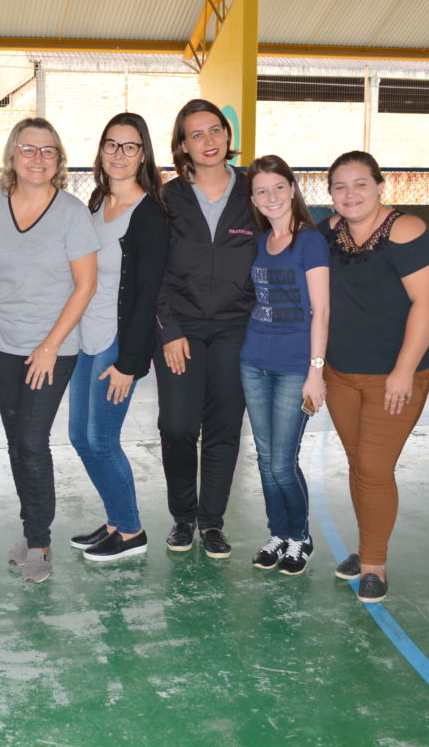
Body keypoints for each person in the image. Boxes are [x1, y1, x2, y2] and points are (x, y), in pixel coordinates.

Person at [319, 150, 429, 603]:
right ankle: (365, 545)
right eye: (339, 186)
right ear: (330, 193)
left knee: (373, 466)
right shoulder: (328, 231)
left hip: (395, 375)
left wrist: (403, 371)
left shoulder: (407, 231)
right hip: (340, 372)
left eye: (360, 184)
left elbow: (427, 305)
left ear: (379, 185)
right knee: (359, 463)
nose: (350, 194)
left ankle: (374, 564)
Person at [0, 117, 98, 583]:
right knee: (17, 442)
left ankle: (41, 543)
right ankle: (31, 534)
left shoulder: (71, 212)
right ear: (12, 155)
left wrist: (50, 346)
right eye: (28, 149)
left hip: (53, 345)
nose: (37, 158)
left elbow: (85, 285)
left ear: (59, 160)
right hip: (1, 343)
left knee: (32, 441)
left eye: (48, 151)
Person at [155, 99, 257, 560]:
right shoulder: (166, 199)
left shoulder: (255, 190)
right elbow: (150, 273)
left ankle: (212, 521)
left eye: (214, 131)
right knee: (177, 426)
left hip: (237, 326)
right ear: (183, 146)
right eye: (196, 135)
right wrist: (169, 329)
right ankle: (183, 516)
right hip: (180, 326)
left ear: (227, 136)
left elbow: (291, 238)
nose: (208, 141)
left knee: (223, 428)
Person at [67, 113, 169, 563]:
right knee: (79, 436)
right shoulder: (95, 202)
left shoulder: (151, 216)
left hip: (115, 342)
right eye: (111, 144)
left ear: (143, 154)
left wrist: (130, 362)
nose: (119, 154)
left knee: (102, 439)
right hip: (86, 337)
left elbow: (148, 296)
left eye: (130, 146)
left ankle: (131, 531)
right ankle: (115, 519)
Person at [239, 155, 329, 577]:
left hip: (296, 367)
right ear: (254, 200)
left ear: (291, 189)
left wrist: (316, 370)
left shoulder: (309, 241)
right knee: (264, 457)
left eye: (278, 187)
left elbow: (322, 310)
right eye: (261, 191)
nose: (271, 197)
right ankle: (278, 535)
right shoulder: (260, 243)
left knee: (282, 461)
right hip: (254, 362)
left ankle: (300, 537)